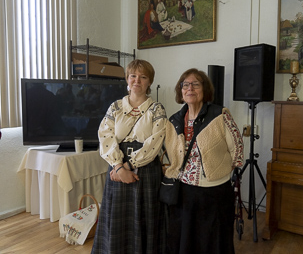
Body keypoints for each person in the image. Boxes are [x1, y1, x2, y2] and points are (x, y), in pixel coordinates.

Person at [164, 68, 244, 254]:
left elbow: (237, 149)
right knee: (186, 239)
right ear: (180, 91)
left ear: (204, 90)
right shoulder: (174, 120)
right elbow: (171, 152)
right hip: (184, 191)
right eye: (185, 85)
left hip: (214, 192)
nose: (190, 88)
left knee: (213, 239)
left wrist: (218, 170)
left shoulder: (219, 115)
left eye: (195, 84)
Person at [91, 59, 167, 254]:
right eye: (133, 76)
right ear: (127, 79)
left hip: (146, 170)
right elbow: (105, 136)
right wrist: (118, 167)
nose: (137, 80)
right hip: (117, 168)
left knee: (145, 217)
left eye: (143, 77)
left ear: (149, 82)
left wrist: (129, 167)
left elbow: (155, 142)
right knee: (118, 217)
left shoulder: (157, 109)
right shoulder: (115, 107)